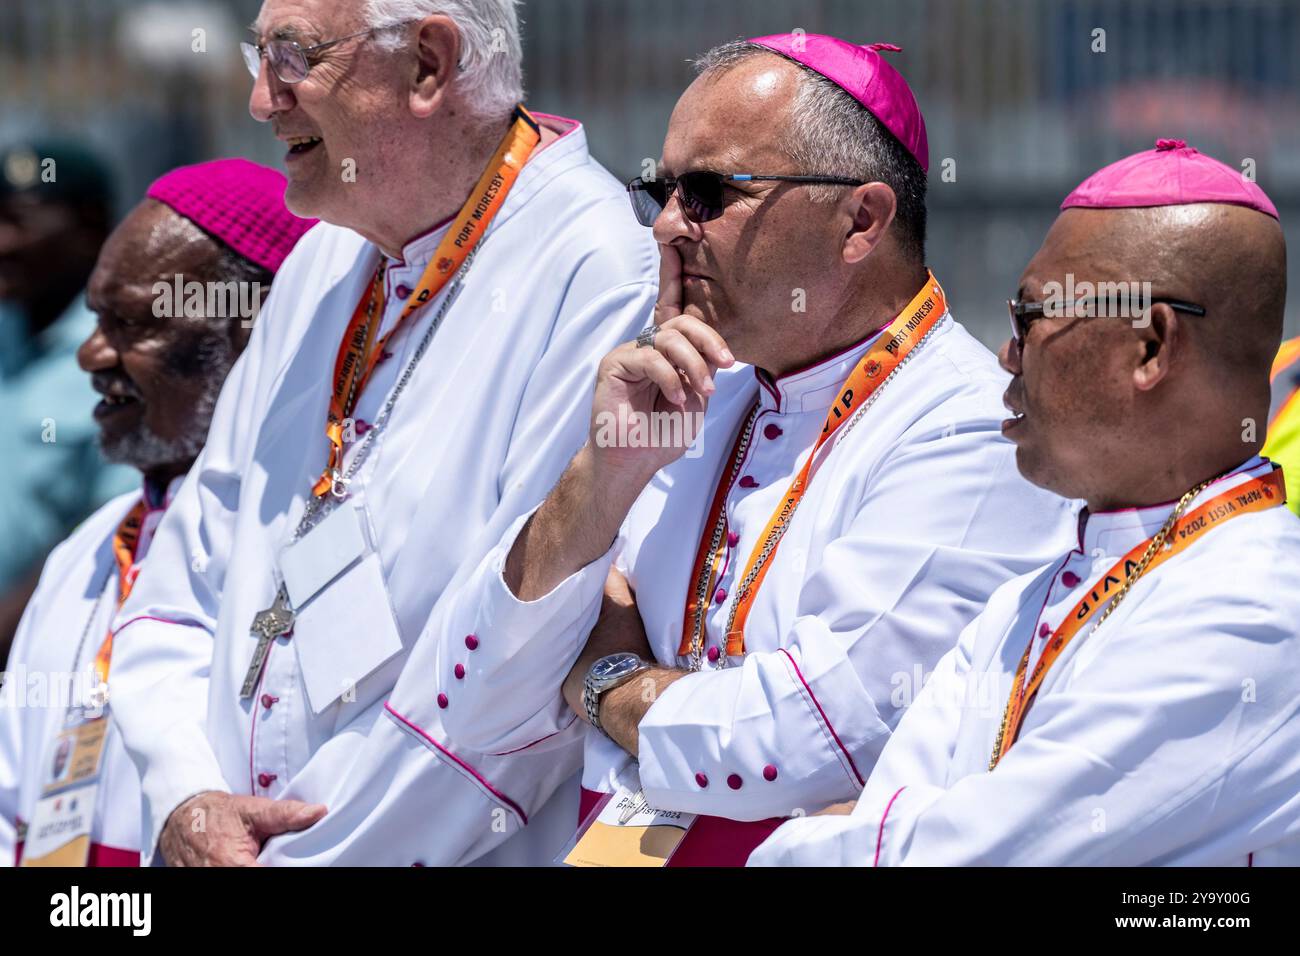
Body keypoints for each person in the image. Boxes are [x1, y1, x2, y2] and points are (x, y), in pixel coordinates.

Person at [396, 33, 1076, 866]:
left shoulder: (965, 428)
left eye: (712, 192)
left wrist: (604, 676)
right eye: (664, 192)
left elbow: (807, 741)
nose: (670, 228)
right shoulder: (694, 398)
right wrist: (603, 479)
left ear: (860, 220)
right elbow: (472, 706)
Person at [108, 0, 658, 866]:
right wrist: (187, 793)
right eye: (259, 53)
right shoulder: (327, 256)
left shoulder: (597, 270)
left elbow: (515, 680)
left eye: (291, 56)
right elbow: (184, 583)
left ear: (428, 64)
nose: (261, 98)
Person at [750, 139, 1300, 866]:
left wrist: (828, 839)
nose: (1007, 353)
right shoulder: (1022, 602)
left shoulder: (1255, 611)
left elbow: (966, 857)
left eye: (1033, 317)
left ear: (1151, 346)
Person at [0, 158, 314, 866]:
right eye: (95, 319)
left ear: (255, 332)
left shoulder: (317, 551)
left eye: (133, 324)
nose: (90, 354)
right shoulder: (86, 554)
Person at [0, 141, 136, 651]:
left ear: (91, 227)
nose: (3, 242)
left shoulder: (121, 353)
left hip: (53, 647)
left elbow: (114, 526)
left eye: (21, 221)